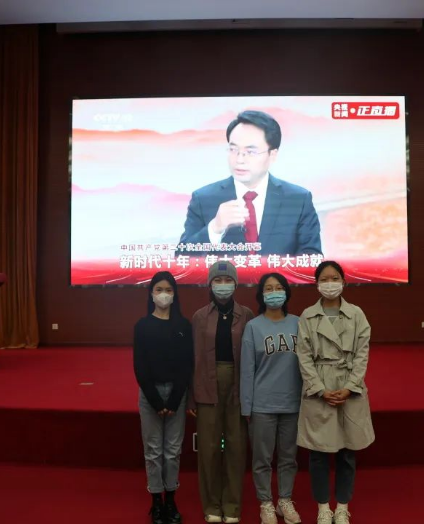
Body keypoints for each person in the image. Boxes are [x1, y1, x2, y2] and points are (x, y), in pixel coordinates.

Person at [178, 110, 322, 256]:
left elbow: (312, 258)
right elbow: (181, 259)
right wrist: (215, 228)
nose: (239, 159)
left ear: (272, 155)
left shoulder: (298, 200)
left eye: (251, 152)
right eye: (233, 149)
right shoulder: (203, 199)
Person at [296, 261, 375, 524]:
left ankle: (342, 506)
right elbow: (304, 356)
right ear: (316, 283)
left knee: (347, 452)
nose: (330, 283)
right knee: (318, 453)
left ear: (344, 282)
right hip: (320, 386)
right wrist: (319, 389)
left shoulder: (357, 314)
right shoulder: (308, 316)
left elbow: (362, 354)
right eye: (324, 279)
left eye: (335, 278)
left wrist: (351, 386)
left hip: (348, 387)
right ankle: (323, 507)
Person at [188, 261, 255, 523]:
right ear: (210, 284)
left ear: (236, 284)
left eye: (228, 281)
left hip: (238, 383)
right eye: (218, 280)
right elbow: (193, 357)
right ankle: (212, 505)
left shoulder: (247, 314)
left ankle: (232, 505)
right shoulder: (199, 316)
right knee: (209, 447)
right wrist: (192, 395)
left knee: (236, 447)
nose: (223, 285)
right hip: (207, 382)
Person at [240, 273, 303, 524]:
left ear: (286, 292)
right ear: (261, 294)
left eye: (279, 287)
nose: (274, 292)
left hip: (293, 403)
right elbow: (247, 370)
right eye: (269, 288)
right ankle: (265, 502)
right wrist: (247, 406)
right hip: (262, 405)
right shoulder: (253, 327)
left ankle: (284, 500)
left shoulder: (299, 323)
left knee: (288, 457)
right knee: (262, 458)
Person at [133, 271, 194, 524]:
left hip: (176, 395)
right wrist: (157, 401)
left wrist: (175, 398)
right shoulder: (142, 326)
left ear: (174, 294)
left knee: (172, 451)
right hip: (151, 396)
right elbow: (140, 366)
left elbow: (187, 364)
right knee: (153, 450)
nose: (164, 294)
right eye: (159, 290)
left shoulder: (183, 326)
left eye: (168, 290)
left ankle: (171, 499)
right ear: (151, 294)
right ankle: (156, 501)